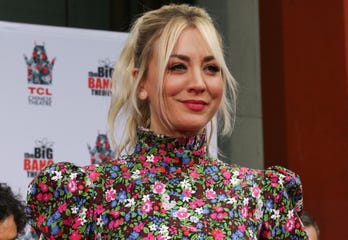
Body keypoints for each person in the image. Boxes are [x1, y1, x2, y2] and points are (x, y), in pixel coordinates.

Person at [26, 4, 308, 239]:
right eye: (177, 67)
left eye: (211, 68)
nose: (198, 83)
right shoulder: (89, 194)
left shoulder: (258, 194)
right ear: (141, 83)